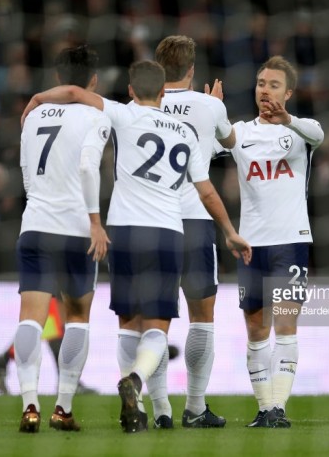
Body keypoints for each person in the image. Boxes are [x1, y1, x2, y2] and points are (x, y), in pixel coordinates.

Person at [21, 59, 252, 433]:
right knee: (158, 327)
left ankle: (138, 409)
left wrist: (38, 98)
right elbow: (205, 189)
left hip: (123, 231)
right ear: (163, 92)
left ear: (130, 90)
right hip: (165, 232)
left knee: (128, 324)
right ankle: (136, 382)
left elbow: (76, 93)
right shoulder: (186, 132)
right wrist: (229, 230)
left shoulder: (122, 114)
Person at [134, 34, 236, 429]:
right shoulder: (210, 105)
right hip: (195, 221)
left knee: (155, 319)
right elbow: (231, 141)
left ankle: (160, 409)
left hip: (152, 220)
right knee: (202, 318)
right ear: (192, 70)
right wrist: (216, 108)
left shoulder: (139, 107)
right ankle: (195, 407)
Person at [218, 56, 324, 428]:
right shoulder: (241, 132)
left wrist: (288, 120)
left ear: (288, 92)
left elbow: (319, 134)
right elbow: (214, 141)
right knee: (255, 329)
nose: (265, 90)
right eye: (261, 83)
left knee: (286, 325)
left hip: (290, 241)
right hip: (250, 245)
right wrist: (213, 112)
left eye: (274, 84)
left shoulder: (301, 131)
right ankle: (264, 409)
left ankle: (279, 406)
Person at [13, 45, 111, 434]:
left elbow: (25, 171)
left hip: (35, 224)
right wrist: (95, 221)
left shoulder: (32, 114)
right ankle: (63, 409)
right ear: (94, 81)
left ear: (56, 77)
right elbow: (89, 166)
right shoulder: (97, 113)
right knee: (77, 318)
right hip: (76, 229)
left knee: (31, 319)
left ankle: (29, 406)